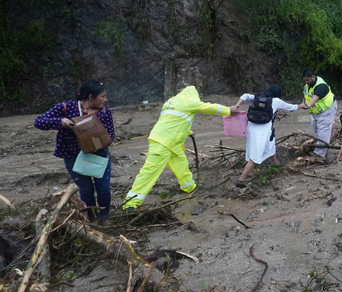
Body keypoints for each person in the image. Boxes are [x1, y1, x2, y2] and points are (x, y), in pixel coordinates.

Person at [123, 86, 239, 211]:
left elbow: (175, 121)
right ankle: (130, 203)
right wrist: (228, 110)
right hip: (164, 142)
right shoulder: (188, 102)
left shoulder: (171, 101)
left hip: (169, 141)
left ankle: (189, 187)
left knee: (181, 164)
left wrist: (188, 131)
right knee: (149, 172)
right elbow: (208, 107)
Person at [34, 80, 115, 225]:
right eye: (102, 96)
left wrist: (99, 143)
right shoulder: (66, 108)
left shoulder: (104, 112)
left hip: (99, 155)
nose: (105, 100)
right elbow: (39, 122)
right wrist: (61, 122)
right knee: (86, 189)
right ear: (91, 97)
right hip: (73, 156)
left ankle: (104, 217)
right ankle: (90, 219)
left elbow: (110, 135)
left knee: (103, 187)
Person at [234, 84, 305, 188]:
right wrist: (301, 105)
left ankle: (275, 163)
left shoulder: (258, 97)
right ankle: (240, 180)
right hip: (262, 131)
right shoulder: (276, 101)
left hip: (252, 128)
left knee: (271, 143)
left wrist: (236, 106)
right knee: (255, 156)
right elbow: (292, 107)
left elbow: (245, 96)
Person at [301, 69, 337, 158]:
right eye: (305, 80)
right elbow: (307, 95)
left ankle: (320, 153)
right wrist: (303, 102)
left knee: (323, 130)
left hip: (327, 110)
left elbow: (315, 98)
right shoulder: (308, 84)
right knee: (315, 129)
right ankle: (321, 145)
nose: (306, 82)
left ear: (313, 77)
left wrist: (308, 105)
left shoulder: (321, 86)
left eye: (307, 80)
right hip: (316, 111)